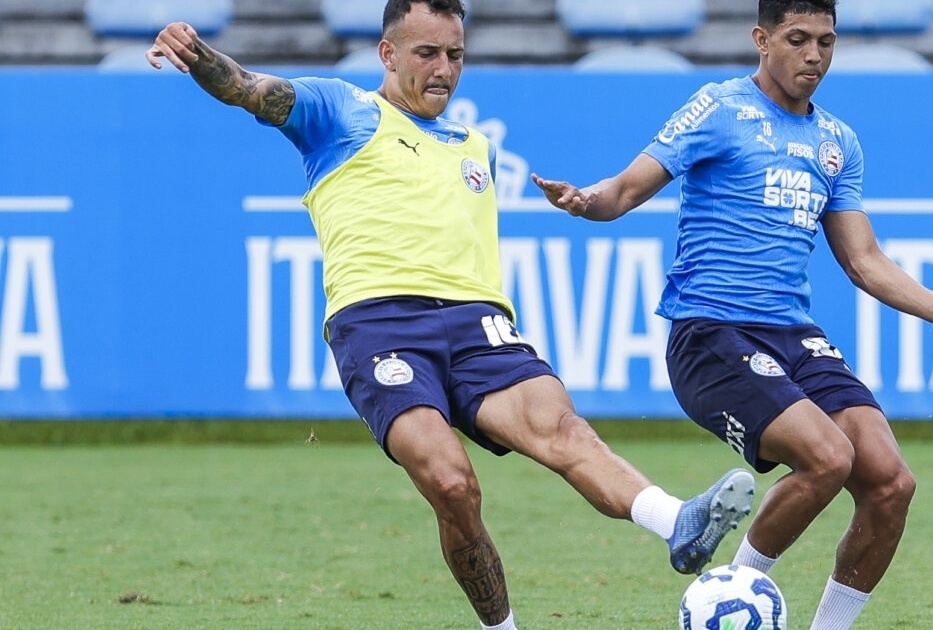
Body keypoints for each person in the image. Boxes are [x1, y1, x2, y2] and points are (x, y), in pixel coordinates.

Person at [145, 2, 756, 629]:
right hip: (380, 327)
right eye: (426, 54)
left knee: (564, 430)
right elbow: (248, 90)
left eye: (455, 55)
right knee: (454, 485)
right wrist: (197, 54)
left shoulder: (475, 148)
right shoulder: (341, 110)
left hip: (477, 324)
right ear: (387, 54)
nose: (443, 70)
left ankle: (674, 519)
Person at [531, 1, 933, 628]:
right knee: (828, 457)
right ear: (761, 40)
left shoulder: (837, 142)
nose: (814, 55)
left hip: (793, 335)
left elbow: (864, 260)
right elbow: (628, 189)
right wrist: (586, 201)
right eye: (798, 40)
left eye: (826, 41)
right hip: (710, 332)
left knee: (890, 485)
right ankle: (734, 593)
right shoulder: (720, 108)